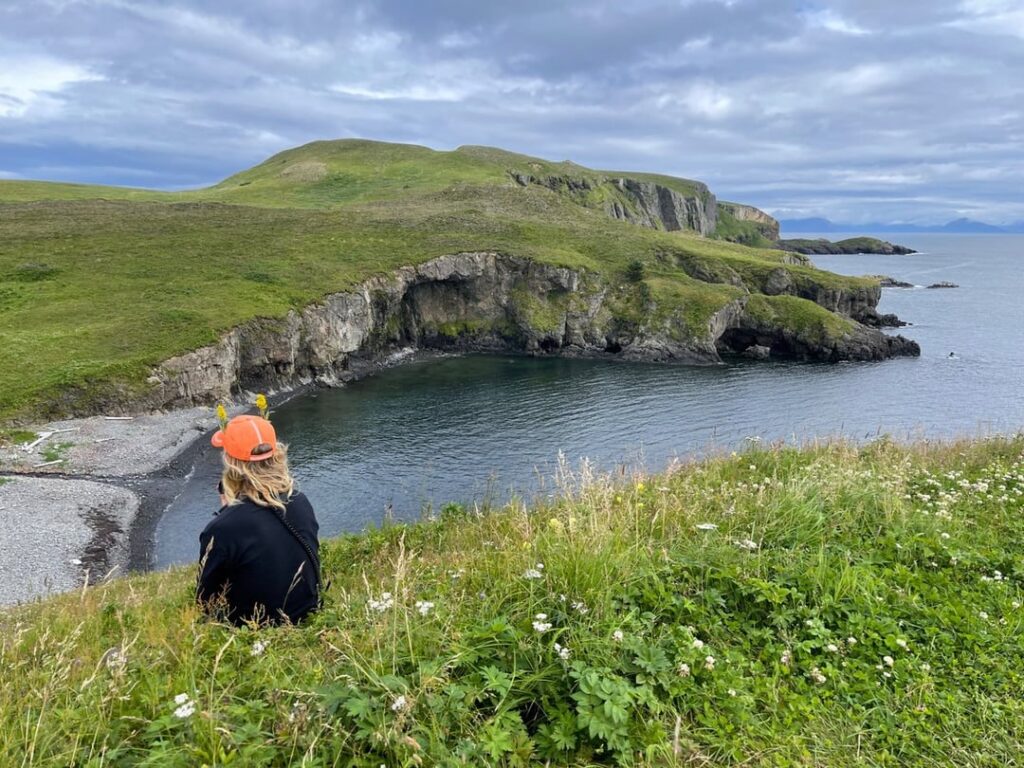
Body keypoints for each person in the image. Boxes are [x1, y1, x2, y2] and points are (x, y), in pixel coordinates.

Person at [197, 414, 321, 626]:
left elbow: (205, 600)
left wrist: (227, 512)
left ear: (231, 464)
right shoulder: (300, 501)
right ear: (277, 455)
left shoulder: (223, 528)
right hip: (307, 614)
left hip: (254, 629)